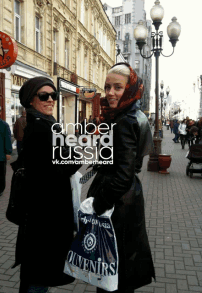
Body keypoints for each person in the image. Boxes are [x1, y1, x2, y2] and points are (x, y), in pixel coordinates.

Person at [86, 62, 155, 293]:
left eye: (117, 87)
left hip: (118, 203)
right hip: (127, 200)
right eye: (107, 87)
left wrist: (99, 202)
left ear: (131, 88)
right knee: (121, 265)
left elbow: (123, 175)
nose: (110, 93)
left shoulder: (124, 120)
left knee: (111, 269)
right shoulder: (130, 115)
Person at [15, 76, 82, 293]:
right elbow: (67, 164)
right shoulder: (42, 128)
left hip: (42, 215)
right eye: (44, 95)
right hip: (45, 217)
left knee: (36, 272)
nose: (51, 99)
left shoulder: (45, 124)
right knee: (39, 274)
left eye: (53, 95)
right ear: (31, 100)